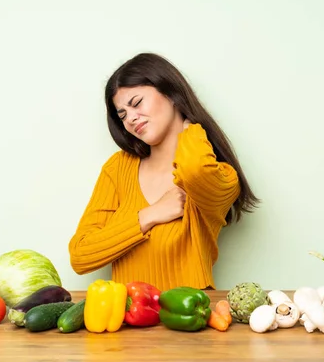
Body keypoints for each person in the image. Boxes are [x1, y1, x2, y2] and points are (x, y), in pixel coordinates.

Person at [68, 53, 259, 291]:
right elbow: (81, 255)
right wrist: (150, 215)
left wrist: (190, 129)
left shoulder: (220, 175)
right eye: (123, 114)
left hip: (191, 321)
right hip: (126, 322)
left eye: (136, 103)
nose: (131, 119)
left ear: (171, 94)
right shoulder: (118, 168)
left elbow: (195, 170)